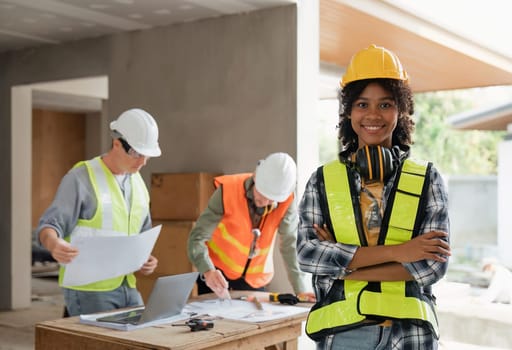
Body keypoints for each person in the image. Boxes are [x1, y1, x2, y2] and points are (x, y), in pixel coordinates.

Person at [297, 44, 451, 349]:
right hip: (345, 333)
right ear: (349, 111)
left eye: (385, 104)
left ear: (400, 110)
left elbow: (432, 266)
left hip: (410, 335)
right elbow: (308, 254)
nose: (372, 115)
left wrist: (345, 265)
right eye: (362, 104)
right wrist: (401, 252)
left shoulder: (428, 179)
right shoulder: (323, 180)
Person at [36, 108, 162, 316]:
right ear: (117, 144)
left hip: (127, 285)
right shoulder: (81, 178)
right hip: (89, 288)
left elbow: (141, 235)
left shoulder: (138, 184)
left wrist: (145, 259)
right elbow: (50, 225)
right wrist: (53, 243)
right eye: (137, 154)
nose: (142, 163)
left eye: (147, 156)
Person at [187, 152, 315, 302]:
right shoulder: (227, 191)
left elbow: (290, 245)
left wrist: (301, 289)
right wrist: (207, 270)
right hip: (217, 275)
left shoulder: (287, 202)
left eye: (271, 198)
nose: (265, 201)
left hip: (255, 282)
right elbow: (197, 238)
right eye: (262, 193)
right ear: (255, 176)